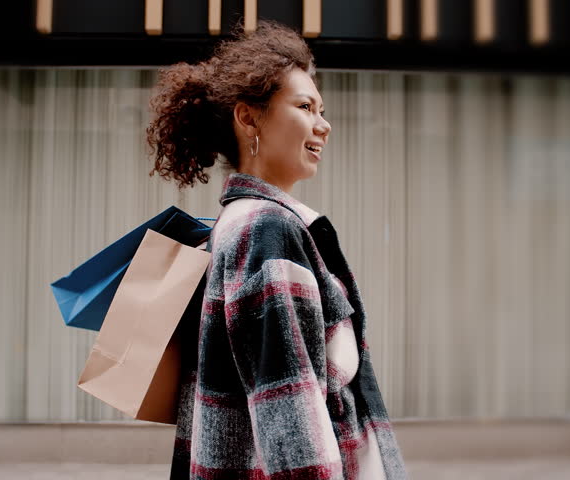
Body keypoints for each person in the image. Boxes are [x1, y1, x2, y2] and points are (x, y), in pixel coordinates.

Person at [148, 21, 408, 480]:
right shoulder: (266, 229)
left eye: (321, 109)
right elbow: (287, 405)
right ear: (249, 118)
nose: (323, 125)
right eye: (305, 107)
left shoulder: (235, 224)